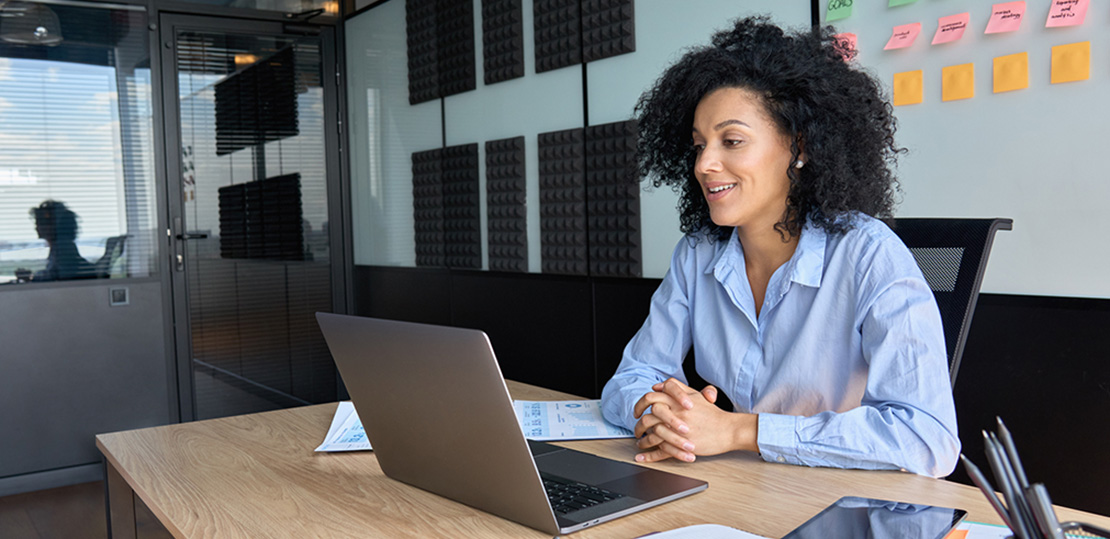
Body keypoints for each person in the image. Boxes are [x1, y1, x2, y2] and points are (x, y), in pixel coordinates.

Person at [599, 17, 960, 477]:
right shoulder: (698, 254)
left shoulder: (869, 255)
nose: (705, 164)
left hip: (843, 502)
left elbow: (927, 438)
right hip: (750, 485)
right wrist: (658, 413)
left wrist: (739, 431)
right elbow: (629, 379)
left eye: (731, 141)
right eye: (698, 145)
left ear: (799, 147)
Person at [15, 200, 97, 282]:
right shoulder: (59, 246)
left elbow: (56, 278)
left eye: (40, 223)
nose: (36, 228)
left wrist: (31, 278)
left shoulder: (63, 247)